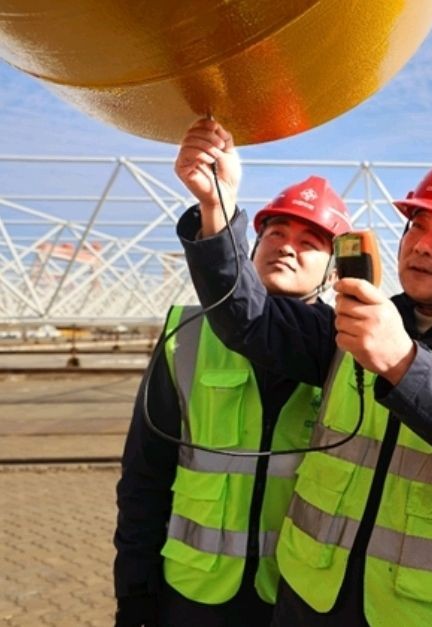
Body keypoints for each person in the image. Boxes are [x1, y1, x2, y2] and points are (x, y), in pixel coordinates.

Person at [172, 119, 432, 626]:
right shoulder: (347, 324)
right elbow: (249, 319)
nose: (423, 244)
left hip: (426, 614)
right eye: (417, 226)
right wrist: (215, 209)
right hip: (313, 596)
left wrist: (405, 363)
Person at [113, 172, 354, 627]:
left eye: (309, 242)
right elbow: (146, 473)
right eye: (276, 234)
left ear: (334, 270)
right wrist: (135, 587)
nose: (287, 246)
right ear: (250, 247)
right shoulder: (186, 334)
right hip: (192, 591)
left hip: (296, 594)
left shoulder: (345, 348)